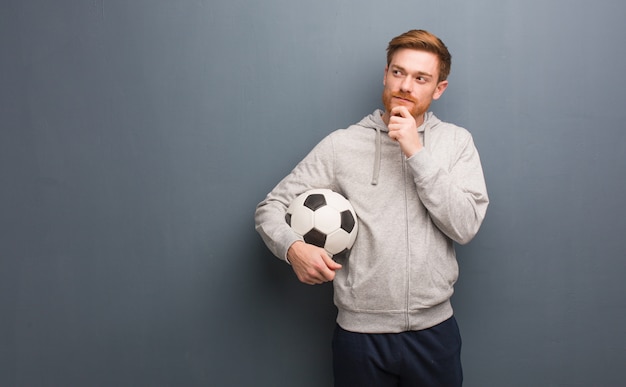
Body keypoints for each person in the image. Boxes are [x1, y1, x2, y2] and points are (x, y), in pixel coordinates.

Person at [255, 29, 489, 387]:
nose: (405, 86)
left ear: (438, 88)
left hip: (434, 334)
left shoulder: (457, 144)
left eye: (420, 78)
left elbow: (466, 225)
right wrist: (293, 248)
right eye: (398, 72)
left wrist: (416, 152)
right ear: (386, 74)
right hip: (359, 337)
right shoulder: (341, 145)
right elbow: (270, 207)